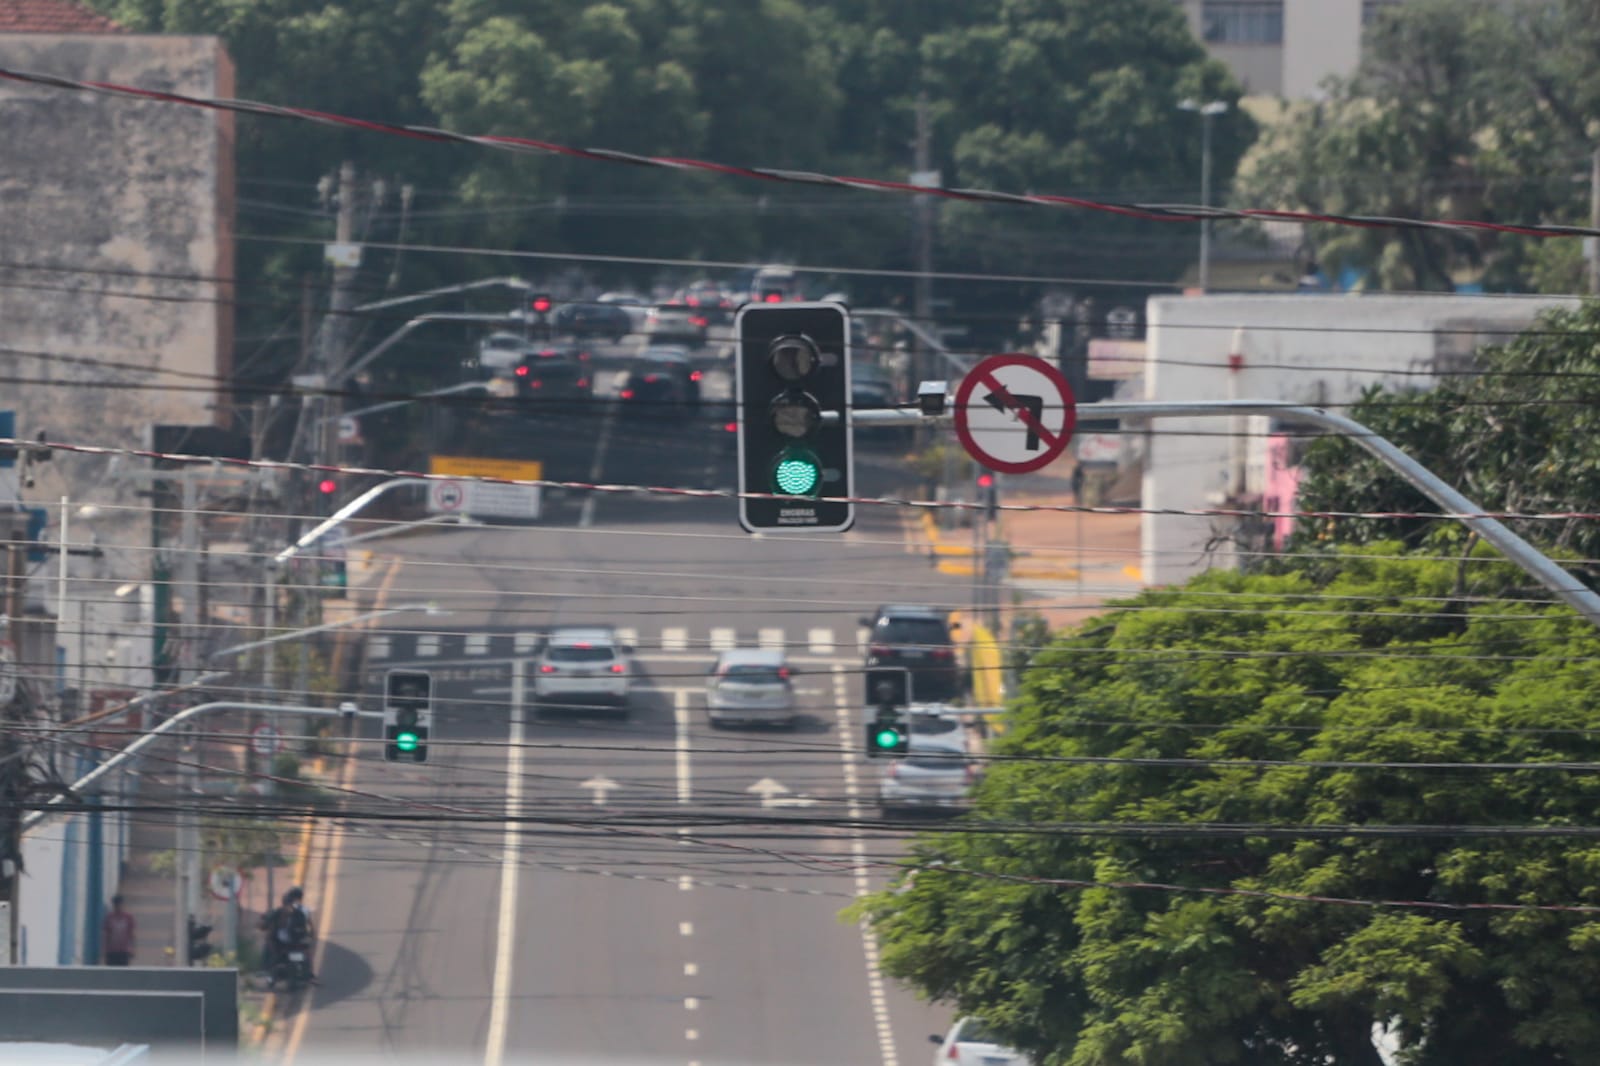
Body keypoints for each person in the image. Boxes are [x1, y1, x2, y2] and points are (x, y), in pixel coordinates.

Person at [102, 895, 136, 966]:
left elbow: (131, 934)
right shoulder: (109, 918)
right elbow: (106, 935)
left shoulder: (128, 917)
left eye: (119, 904)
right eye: (116, 904)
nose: (118, 907)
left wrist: (132, 948)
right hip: (112, 951)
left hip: (124, 951)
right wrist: (105, 950)